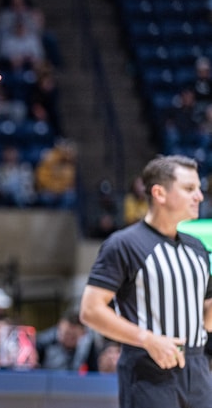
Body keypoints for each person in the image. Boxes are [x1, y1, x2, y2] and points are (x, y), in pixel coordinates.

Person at [79, 155, 212, 408]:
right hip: (147, 368)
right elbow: (90, 310)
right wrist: (147, 339)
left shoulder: (198, 249)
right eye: (189, 189)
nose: (199, 196)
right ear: (159, 193)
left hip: (198, 369)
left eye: (199, 188)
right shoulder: (124, 244)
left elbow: (207, 320)